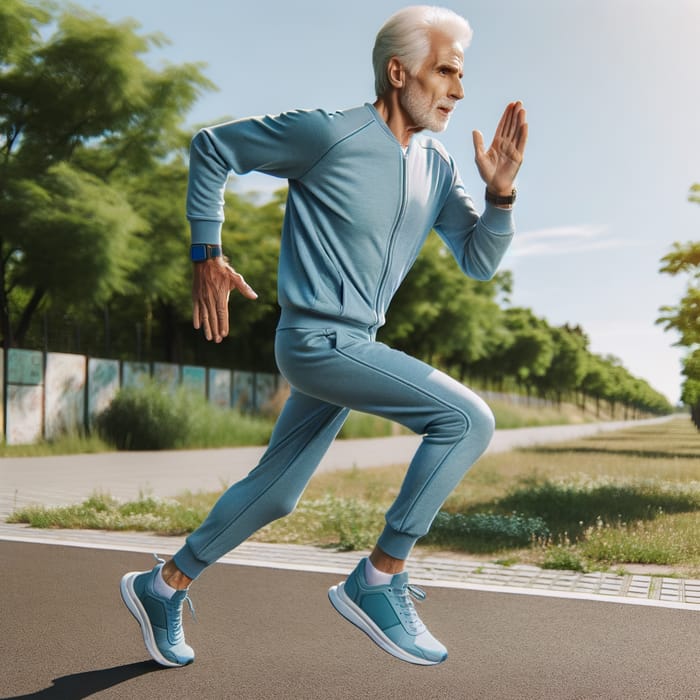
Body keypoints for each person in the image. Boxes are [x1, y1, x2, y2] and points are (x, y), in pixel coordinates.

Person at [120, 4, 527, 667]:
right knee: (467, 420)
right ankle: (379, 578)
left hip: (355, 346)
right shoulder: (326, 133)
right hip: (316, 342)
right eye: (446, 70)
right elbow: (212, 147)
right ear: (400, 72)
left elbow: (479, 262)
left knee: (277, 493)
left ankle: (163, 585)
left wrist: (502, 196)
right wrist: (206, 252)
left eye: (462, 74)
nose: (459, 88)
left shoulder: (438, 166)